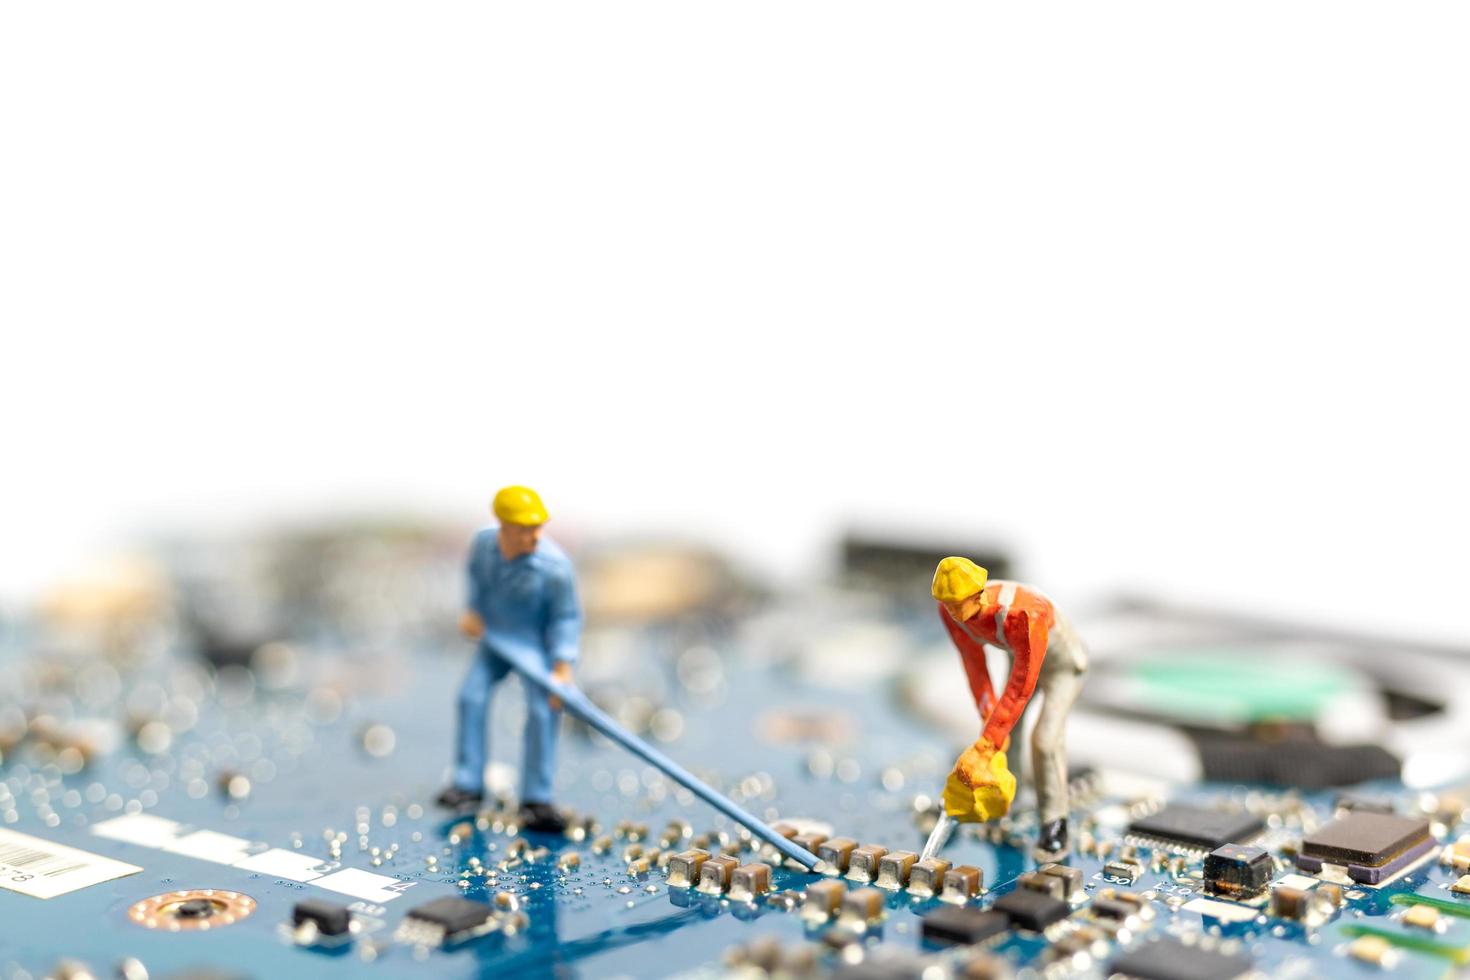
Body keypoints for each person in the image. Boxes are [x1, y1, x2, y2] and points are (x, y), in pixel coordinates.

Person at [435, 485, 581, 833]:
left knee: (543, 709)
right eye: (524, 529)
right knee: (471, 696)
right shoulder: (483, 545)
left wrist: (562, 665)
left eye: (537, 528)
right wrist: (472, 610)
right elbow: (474, 577)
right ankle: (468, 785)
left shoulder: (555, 567)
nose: (533, 536)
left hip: (534, 648)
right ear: (504, 526)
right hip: (495, 639)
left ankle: (536, 799)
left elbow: (566, 617)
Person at [932, 556, 1087, 858]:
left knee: (1044, 741)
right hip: (1020, 658)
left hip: (1060, 668)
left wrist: (988, 743)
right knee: (1004, 730)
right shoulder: (949, 610)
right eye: (947, 603)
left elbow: (1021, 688)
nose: (952, 612)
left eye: (957, 603)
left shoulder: (1023, 614)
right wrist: (989, 722)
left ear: (977, 594)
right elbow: (974, 666)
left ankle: (1055, 824)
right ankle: (1010, 801)